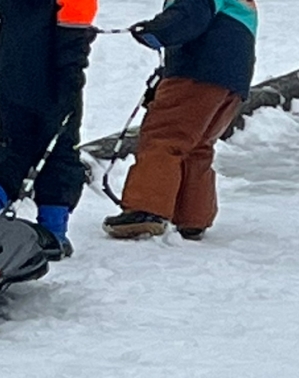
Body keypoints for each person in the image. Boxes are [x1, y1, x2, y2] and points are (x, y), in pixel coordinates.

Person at [102, 0, 257, 241]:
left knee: (164, 137)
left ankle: (147, 210)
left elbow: (188, 14)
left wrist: (156, 30)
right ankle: (193, 216)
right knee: (198, 145)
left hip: (197, 71)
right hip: (233, 81)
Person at [0, 0, 99, 259]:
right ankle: (53, 231)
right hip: (52, 76)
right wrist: (71, 86)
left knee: (10, 143)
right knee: (60, 147)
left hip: (8, 68)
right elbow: (72, 38)